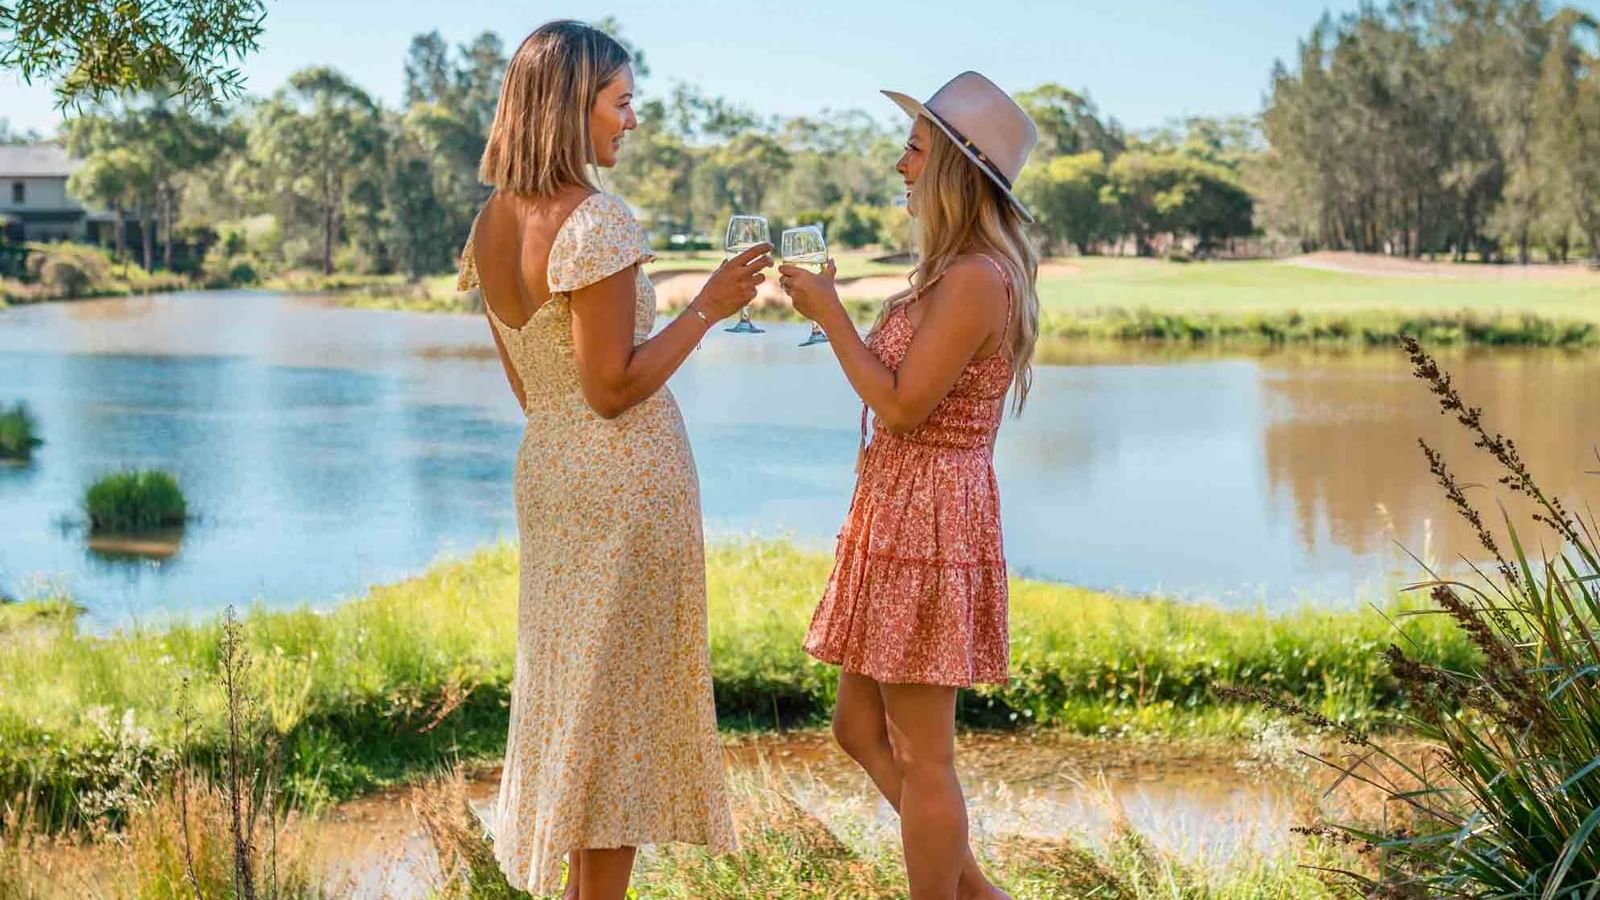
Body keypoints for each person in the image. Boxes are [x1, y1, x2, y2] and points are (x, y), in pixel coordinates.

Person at [456, 19, 772, 899]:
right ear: (571, 106)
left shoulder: (490, 223)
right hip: (625, 486)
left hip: (551, 472)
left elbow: (540, 392)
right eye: (621, 102)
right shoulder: (596, 219)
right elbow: (610, 385)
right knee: (619, 727)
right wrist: (706, 306)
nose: (631, 121)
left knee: (576, 707)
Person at [779, 70, 1040, 900]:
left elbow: (901, 405)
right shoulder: (952, 267)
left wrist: (830, 318)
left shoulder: (975, 278)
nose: (900, 165)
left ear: (956, 168)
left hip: (932, 519)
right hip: (896, 510)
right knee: (857, 728)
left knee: (927, 756)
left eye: (914, 148)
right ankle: (983, 895)